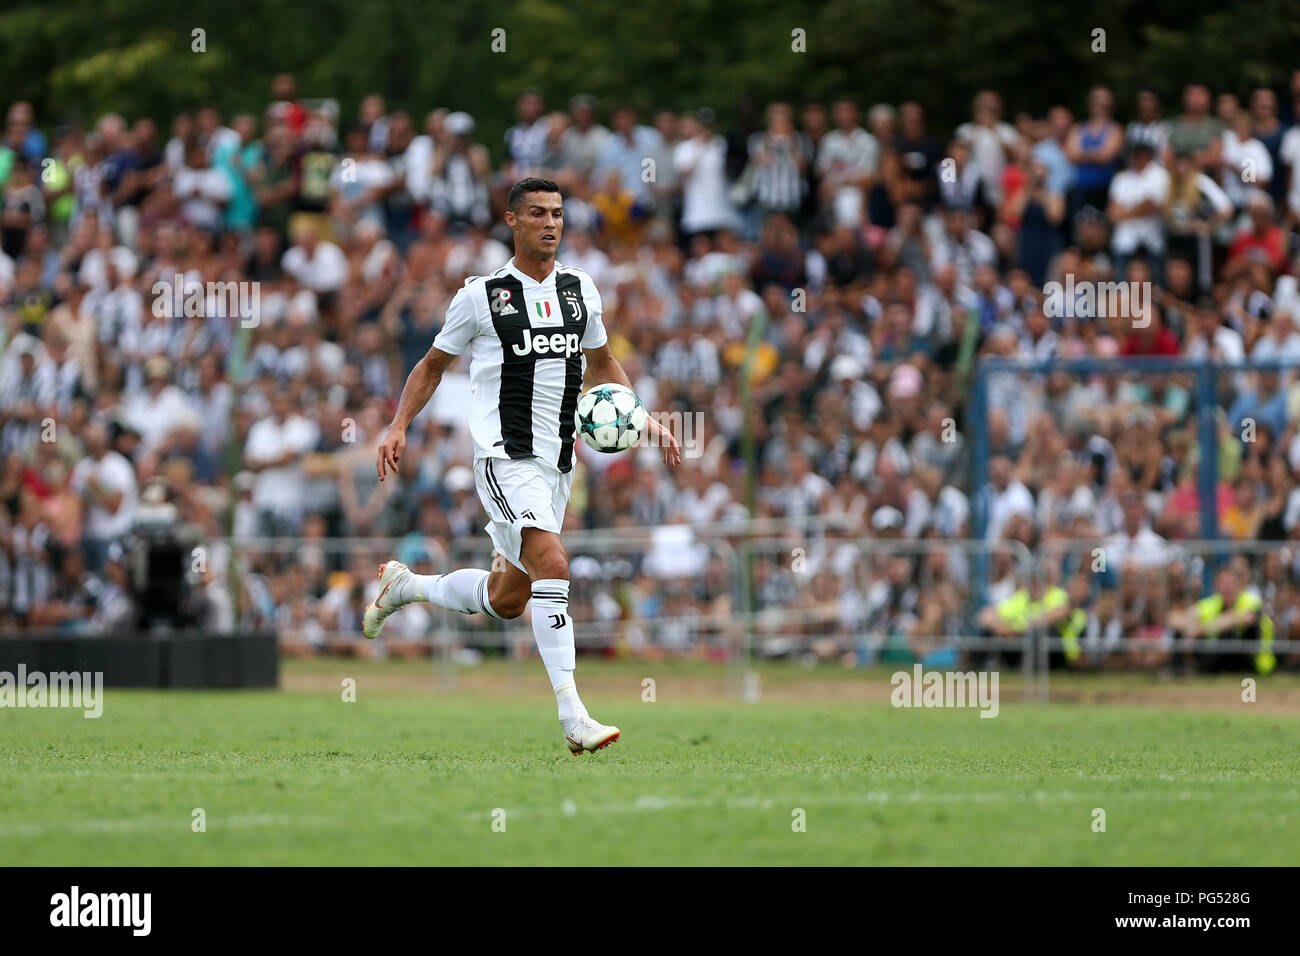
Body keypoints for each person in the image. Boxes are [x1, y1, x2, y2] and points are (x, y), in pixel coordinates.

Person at [367, 177, 682, 754]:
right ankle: (574, 717)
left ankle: (407, 586)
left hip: (560, 464)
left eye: (558, 214)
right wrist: (399, 424)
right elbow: (432, 366)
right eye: (537, 213)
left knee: (510, 598)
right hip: (504, 458)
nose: (551, 223)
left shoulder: (581, 291)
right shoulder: (481, 296)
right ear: (512, 221)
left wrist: (644, 418)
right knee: (554, 565)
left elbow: (604, 362)